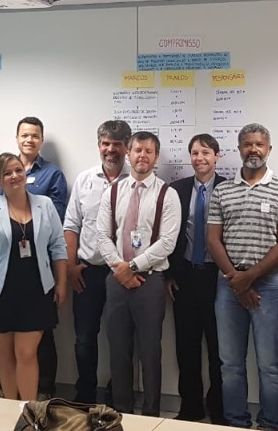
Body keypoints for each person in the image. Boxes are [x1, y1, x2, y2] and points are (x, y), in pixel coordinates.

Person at [207, 123, 278, 431]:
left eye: (259, 144)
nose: (253, 149)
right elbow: (212, 240)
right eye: (247, 144)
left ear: (269, 149)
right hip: (228, 284)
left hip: (269, 285)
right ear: (239, 148)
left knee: (269, 364)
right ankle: (236, 423)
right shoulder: (223, 190)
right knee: (230, 363)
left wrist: (250, 277)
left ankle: (270, 424)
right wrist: (236, 279)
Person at [0, 153, 68, 400]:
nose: (14, 176)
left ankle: (28, 410)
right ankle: (9, 408)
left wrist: (61, 283)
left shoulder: (45, 205)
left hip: (37, 288)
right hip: (0, 290)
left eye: (18, 170)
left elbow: (58, 246)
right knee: (5, 353)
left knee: (26, 352)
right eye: (7, 173)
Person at [96, 131, 180, 416]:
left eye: (148, 151)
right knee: (118, 351)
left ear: (156, 157)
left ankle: (151, 414)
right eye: (137, 150)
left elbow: (167, 242)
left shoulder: (168, 194)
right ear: (128, 154)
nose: (142, 155)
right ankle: (121, 413)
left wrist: (132, 267)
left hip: (151, 281)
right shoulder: (113, 191)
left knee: (150, 352)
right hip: (116, 280)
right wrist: (119, 268)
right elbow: (102, 235)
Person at [63, 120, 131, 404]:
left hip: (123, 273)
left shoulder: (136, 180)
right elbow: (71, 225)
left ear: (127, 147)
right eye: (105, 143)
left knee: (122, 339)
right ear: (98, 145)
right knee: (84, 339)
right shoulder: (85, 180)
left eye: (117, 144)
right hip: (88, 272)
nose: (110, 149)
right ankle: (85, 395)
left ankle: (118, 396)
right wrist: (70, 266)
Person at [168, 134, 226, 423]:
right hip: (186, 277)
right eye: (194, 153)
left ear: (217, 156)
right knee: (186, 346)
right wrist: (169, 275)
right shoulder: (176, 190)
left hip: (218, 277)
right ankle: (190, 407)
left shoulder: (229, 189)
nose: (200, 158)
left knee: (218, 347)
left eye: (205, 152)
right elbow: (168, 234)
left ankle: (219, 408)